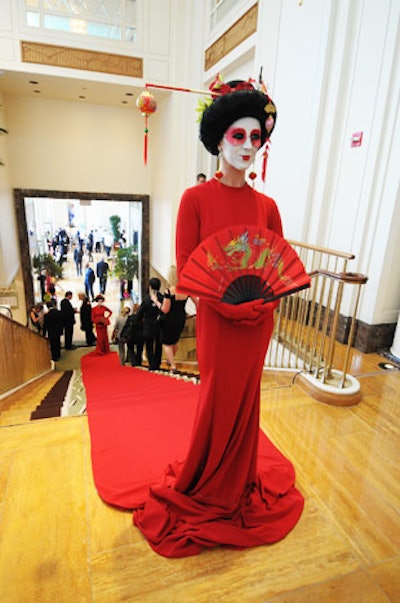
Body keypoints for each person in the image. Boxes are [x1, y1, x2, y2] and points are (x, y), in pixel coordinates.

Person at [134, 78, 304, 557]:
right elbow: (189, 269)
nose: (248, 145)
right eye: (238, 136)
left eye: (256, 137)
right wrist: (229, 304)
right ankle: (209, 483)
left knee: (247, 403)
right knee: (215, 401)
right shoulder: (194, 200)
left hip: (256, 328)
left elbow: (277, 271)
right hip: (217, 323)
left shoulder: (267, 206)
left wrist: (262, 305)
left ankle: (239, 481)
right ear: (219, 138)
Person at [161, 265, 188, 372]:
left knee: (166, 343)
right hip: (181, 317)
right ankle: (170, 360)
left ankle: (173, 365)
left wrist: (158, 303)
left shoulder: (169, 291)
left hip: (170, 318)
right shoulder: (186, 289)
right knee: (175, 341)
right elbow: (197, 303)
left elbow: (165, 309)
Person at [136, 277, 165, 370]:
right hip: (160, 325)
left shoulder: (147, 299)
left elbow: (140, 313)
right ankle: (157, 363)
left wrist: (139, 322)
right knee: (158, 344)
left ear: (150, 287)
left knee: (149, 345)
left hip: (148, 325)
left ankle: (152, 364)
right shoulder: (162, 298)